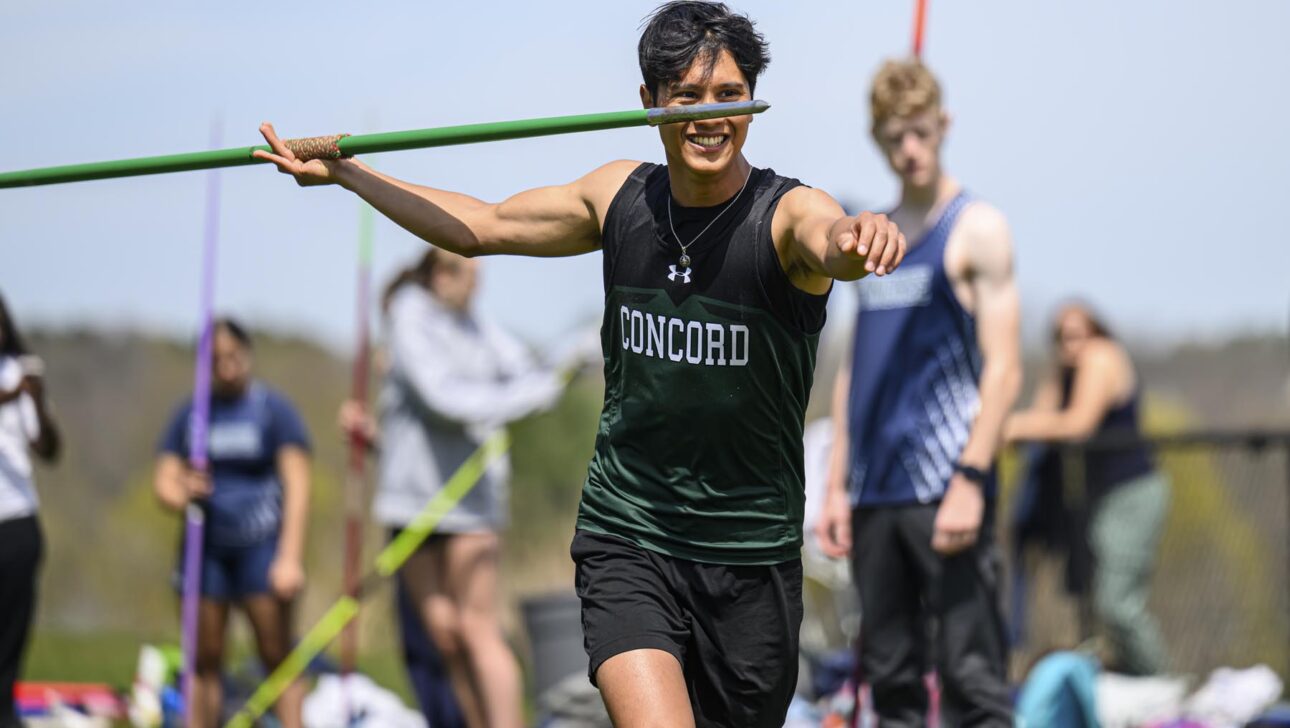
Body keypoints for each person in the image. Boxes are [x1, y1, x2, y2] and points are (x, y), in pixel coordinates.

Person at [255, 2, 907, 723]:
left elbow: (830, 239)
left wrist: (861, 233)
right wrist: (351, 175)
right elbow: (483, 225)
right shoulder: (619, 199)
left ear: (754, 100)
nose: (709, 115)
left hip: (749, 561)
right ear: (649, 103)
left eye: (729, 94)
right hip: (630, 537)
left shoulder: (784, 213)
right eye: (685, 96)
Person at [815, 58, 1021, 726]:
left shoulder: (976, 228)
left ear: (944, 126)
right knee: (891, 685)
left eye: (921, 132)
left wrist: (971, 475)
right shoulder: (874, 236)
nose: (910, 149)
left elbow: (1005, 369)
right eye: (895, 136)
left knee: (971, 681)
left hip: (945, 488)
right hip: (875, 493)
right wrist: (837, 482)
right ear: (878, 140)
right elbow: (855, 370)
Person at [341, 249, 564, 728]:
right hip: (414, 502)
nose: (477, 289)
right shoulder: (408, 315)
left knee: (476, 627)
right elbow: (441, 398)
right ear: (442, 274)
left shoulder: (474, 321)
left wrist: (557, 370)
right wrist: (523, 397)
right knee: (442, 634)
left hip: (473, 501)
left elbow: (524, 368)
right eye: (471, 277)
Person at [153, 318, 311, 728]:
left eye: (233, 357)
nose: (226, 368)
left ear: (248, 355)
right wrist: (183, 487)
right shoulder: (191, 414)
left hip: (261, 548)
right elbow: (164, 484)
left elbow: (298, 479)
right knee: (205, 659)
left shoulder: (272, 409)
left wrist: (290, 557)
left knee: (277, 658)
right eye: (215, 360)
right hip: (206, 552)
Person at [1005, 302, 1169, 675]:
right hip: (1099, 500)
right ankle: (1133, 685)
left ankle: (1164, 684)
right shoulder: (1066, 368)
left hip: (1132, 494)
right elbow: (1043, 418)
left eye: (1077, 333)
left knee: (1118, 604)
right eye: (1061, 336)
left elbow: (1077, 423)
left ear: (1096, 331)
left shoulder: (1101, 357)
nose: (1070, 344)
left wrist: (1010, 425)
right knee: (1095, 605)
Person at [0, 293, 61, 728]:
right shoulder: (11, 385)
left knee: (10, 635)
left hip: (16, 519)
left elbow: (50, 450)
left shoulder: (19, 373)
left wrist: (36, 400)